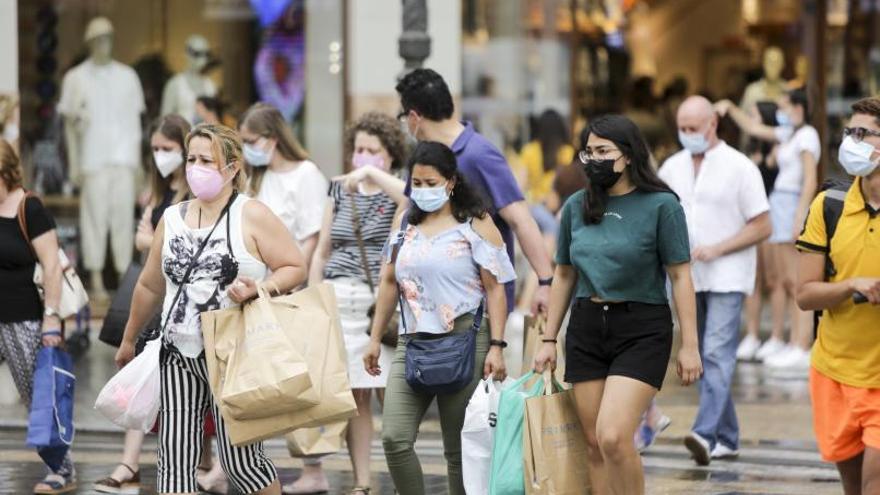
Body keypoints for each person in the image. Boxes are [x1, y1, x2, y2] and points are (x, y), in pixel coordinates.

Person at [115, 124, 307, 495]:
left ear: (232, 169)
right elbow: (150, 284)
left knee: (242, 464)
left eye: (207, 160)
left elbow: (294, 266)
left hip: (234, 353)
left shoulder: (251, 215)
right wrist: (128, 339)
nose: (195, 167)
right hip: (177, 352)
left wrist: (260, 288)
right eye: (192, 159)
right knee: (174, 460)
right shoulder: (171, 218)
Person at [533, 115, 702, 495]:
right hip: (587, 326)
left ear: (627, 156)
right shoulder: (577, 206)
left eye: (603, 151)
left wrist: (690, 345)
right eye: (588, 151)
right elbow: (563, 275)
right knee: (592, 442)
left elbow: (680, 276)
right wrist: (548, 339)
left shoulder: (662, 206)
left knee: (612, 436)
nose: (593, 159)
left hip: (641, 327)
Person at [363, 141, 513, 495]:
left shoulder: (475, 222)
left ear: (451, 182)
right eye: (417, 183)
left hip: (465, 341)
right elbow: (388, 281)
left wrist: (497, 346)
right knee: (394, 438)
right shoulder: (406, 223)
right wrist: (373, 338)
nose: (423, 190)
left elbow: (495, 288)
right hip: (411, 341)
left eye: (431, 183)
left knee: (458, 450)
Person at [659, 96, 771, 465]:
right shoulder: (671, 167)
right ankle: (728, 436)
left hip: (728, 274)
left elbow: (762, 225)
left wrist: (719, 248)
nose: (687, 134)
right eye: (682, 128)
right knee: (707, 357)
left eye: (693, 127)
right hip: (687, 278)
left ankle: (704, 433)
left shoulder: (739, 167)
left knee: (716, 354)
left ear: (713, 125)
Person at [94, 114, 199, 494]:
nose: (160, 156)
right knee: (139, 376)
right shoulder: (158, 191)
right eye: (155, 149)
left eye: (168, 149)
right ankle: (129, 462)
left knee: (189, 388)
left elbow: (155, 240)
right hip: (155, 295)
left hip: (184, 302)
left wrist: (150, 239)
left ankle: (204, 464)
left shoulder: (194, 193)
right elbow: (144, 240)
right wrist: (151, 239)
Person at [305, 112, 409, 495]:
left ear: (389, 155)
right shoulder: (338, 191)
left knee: (392, 393)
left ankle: (403, 478)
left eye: (372, 151)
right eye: (358, 150)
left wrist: (373, 176)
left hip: (377, 305)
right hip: (338, 299)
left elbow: (411, 198)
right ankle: (363, 482)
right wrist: (315, 297)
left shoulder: (395, 193)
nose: (362, 157)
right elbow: (322, 250)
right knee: (356, 396)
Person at [395, 68, 554, 314]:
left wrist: (545, 282)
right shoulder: (425, 156)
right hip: (427, 306)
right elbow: (405, 213)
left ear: (414, 117)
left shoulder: (480, 154)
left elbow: (521, 220)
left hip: (480, 308)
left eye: (404, 117)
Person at [795, 97, 880, 495]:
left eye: (863, 133)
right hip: (834, 371)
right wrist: (850, 285)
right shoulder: (828, 206)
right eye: (850, 132)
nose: (852, 141)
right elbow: (805, 295)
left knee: (874, 481)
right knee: (854, 488)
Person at [716, 88, 819, 371]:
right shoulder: (791, 135)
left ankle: (802, 344)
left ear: (800, 107)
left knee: (794, 279)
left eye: (786, 106)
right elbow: (754, 127)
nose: (782, 112)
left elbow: (809, 179)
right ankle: (792, 342)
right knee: (785, 280)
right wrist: (730, 106)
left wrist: (801, 215)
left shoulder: (808, 135)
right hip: (780, 203)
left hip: (791, 203)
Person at [0, 139, 74, 493]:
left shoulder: (30, 208)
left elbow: (51, 267)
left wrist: (51, 319)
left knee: (37, 397)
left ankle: (61, 467)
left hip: (25, 318)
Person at [239, 103, 328, 268]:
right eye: (243, 142)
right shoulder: (256, 177)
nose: (246, 149)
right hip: (257, 280)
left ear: (273, 139)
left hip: (290, 282)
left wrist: (290, 282)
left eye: (250, 141)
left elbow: (312, 237)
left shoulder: (307, 174)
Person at [737, 101, 783, 362]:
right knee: (752, 280)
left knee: (773, 280)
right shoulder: (748, 151)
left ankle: (776, 336)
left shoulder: (778, 146)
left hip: (773, 218)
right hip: (750, 219)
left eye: (754, 115)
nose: (750, 121)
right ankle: (752, 334)